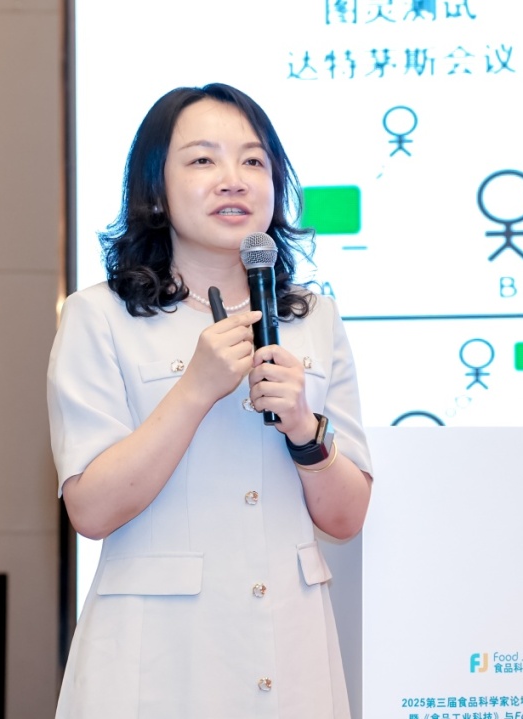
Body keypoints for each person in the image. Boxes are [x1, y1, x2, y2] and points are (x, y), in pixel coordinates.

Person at [47, 82, 373, 718]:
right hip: (159, 661)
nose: (233, 180)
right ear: (155, 191)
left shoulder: (315, 319)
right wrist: (194, 390)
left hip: (289, 649)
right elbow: (91, 509)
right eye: (202, 160)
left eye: (253, 161)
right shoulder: (100, 316)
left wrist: (304, 429)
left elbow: (346, 517)